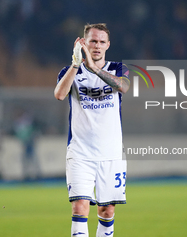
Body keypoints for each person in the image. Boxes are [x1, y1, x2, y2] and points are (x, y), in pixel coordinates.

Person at [54, 23, 130, 237]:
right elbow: (59, 95)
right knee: (79, 207)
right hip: (80, 153)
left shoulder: (118, 68)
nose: (97, 46)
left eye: (101, 42)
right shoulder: (71, 72)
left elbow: (124, 87)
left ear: (108, 45)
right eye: (92, 41)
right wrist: (76, 65)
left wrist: (95, 68)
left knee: (107, 210)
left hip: (111, 154)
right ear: (84, 43)